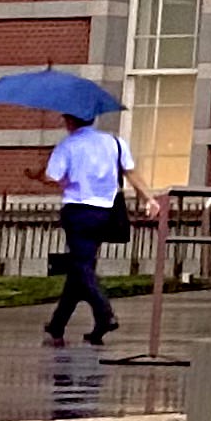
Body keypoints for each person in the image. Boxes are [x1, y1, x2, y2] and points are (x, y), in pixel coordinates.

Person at [43, 111, 143, 347]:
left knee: (81, 266)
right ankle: (58, 324)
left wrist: (39, 174)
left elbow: (52, 177)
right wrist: (149, 198)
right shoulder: (115, 142)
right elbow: (131, 172)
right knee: (81, 266)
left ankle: (105, 313)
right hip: (105, 211)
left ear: (70, 120)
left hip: (77, 210)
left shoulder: (68, 145)